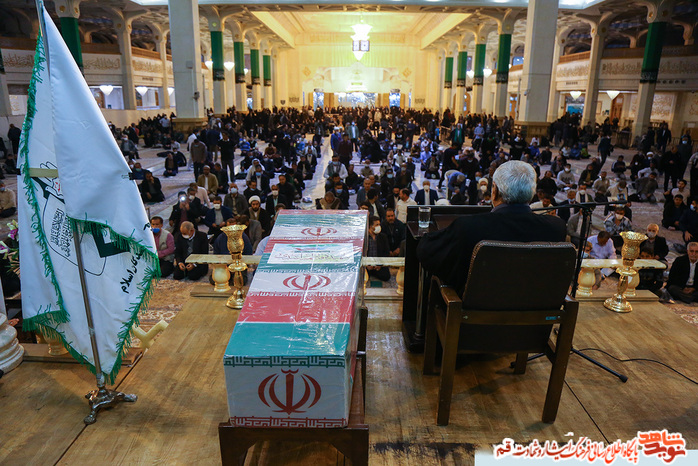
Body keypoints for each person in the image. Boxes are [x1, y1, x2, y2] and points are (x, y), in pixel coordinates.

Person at [417, 161, 566, 293]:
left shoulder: (469, 227)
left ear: (495, 191)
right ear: (532, 193)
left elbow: (427, 253)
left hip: (475, 312)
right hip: (535, 313)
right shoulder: (556, 228)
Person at [365, 215, 391, 282]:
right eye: (376, 225)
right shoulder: (365, 238)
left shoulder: (383, 237)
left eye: (379, 224)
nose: (379, 226)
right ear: (370, 226)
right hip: (367, 264)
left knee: (386, 276)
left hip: (378, 264)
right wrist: (366, 265)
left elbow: (386, 252)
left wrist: (379, 265)